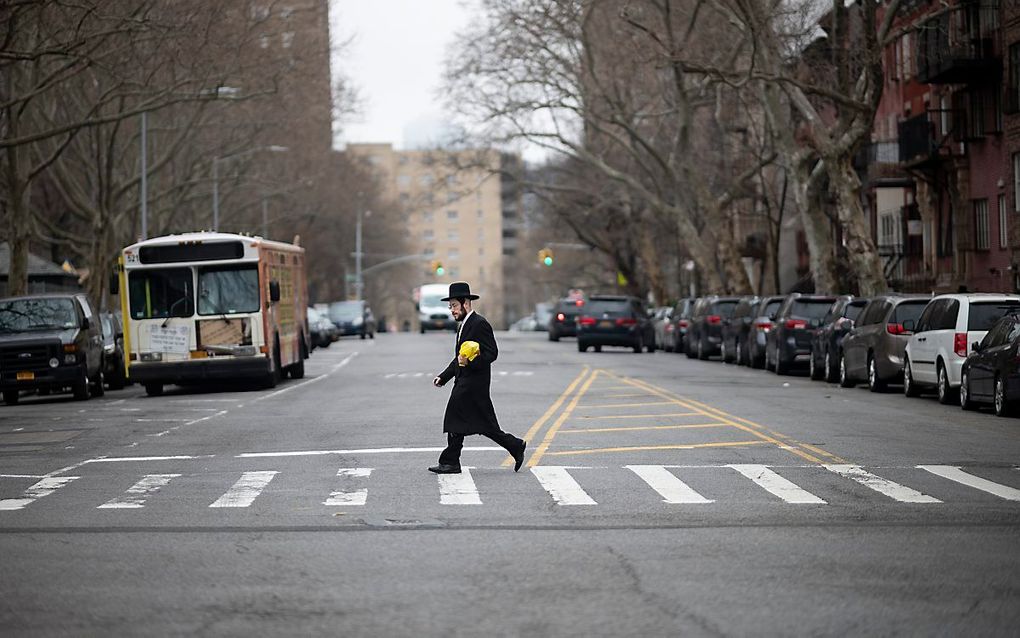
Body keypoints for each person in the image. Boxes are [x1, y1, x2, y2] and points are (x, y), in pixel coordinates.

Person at [430, 281, 526, 474]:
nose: (452, 311)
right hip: (466, 383)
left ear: (466, 303)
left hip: (474, 384)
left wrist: (470, 364)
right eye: (450, 307)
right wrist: (444, 376)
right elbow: (460, 358)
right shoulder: (464, 325)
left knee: (454, 418)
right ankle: (515, 446)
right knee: (486, 426)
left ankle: (450, 461)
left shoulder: (479, 324)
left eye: (454, 306)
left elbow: (492, 353)